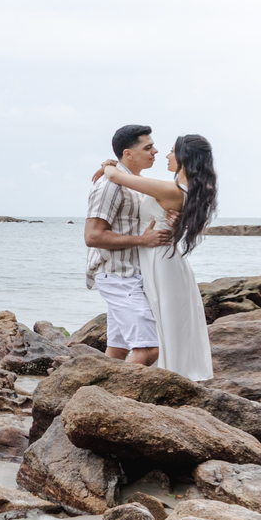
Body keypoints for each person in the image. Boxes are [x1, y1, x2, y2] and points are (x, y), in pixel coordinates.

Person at [96, 135, 217, 380]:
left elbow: (117, 177)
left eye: (172, 151)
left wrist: (109, 165)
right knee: (160, 323)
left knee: (164, 324)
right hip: (157, 257)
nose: (166, 155)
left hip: (160, 260)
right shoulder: (179, 188)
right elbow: (136, 182)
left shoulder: (171, 190)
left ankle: (149, 380)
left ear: (185, 158)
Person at [84, 125, 173, 365]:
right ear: (128, 153)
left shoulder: (133, 182)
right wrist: (143, 240)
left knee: (117, 350)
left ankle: (95, 396)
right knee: (149, 350)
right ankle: (108, 403)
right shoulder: (110, 185)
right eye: (148, 147)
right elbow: (93, 236)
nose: (155, 151)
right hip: (118, 276)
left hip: (133, 275)